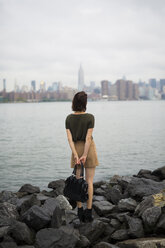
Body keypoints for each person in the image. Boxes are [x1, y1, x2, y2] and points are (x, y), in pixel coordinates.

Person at [65, 91, 99, 222]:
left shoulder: (69, 118)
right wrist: (85, 154)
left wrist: (75, 154)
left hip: (76, 149)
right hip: (88, 149)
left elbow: (69, 139)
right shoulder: (90, 117)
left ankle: (79, 210)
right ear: (85, 103)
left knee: (78, 180)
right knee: (89, 181)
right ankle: (89, 212)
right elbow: (88, 137)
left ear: (74, 103)